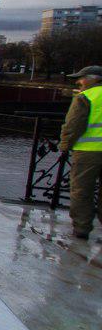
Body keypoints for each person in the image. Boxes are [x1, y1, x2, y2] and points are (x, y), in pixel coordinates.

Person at [61, 65, 102, 241]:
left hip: (88, 152)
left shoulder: (86, 97)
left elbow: (74, 125)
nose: (78, 81)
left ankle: (82, 228)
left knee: (82, 190)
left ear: (93, 79)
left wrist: (64, 145)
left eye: (81, 77)